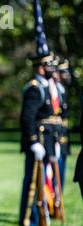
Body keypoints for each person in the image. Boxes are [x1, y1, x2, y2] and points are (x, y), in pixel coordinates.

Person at [19, 53, 61, 226]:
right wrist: (33, 141)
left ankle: (44, 212)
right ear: (40, 68)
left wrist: (56, 142)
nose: (53, 70)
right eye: (49, 66)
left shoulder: (47, 87)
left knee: (44, 179)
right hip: (38, 142)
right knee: (33, 180)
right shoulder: (35, 89)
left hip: (48, 140)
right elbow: (27, 118)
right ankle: (30, 218)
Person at [55, 58, 72, 189]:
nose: (66, 75)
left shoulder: (62, 90)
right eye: (63, 72)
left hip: (64, 138)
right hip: (57, 137)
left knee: (61, 176)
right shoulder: (54, 91)